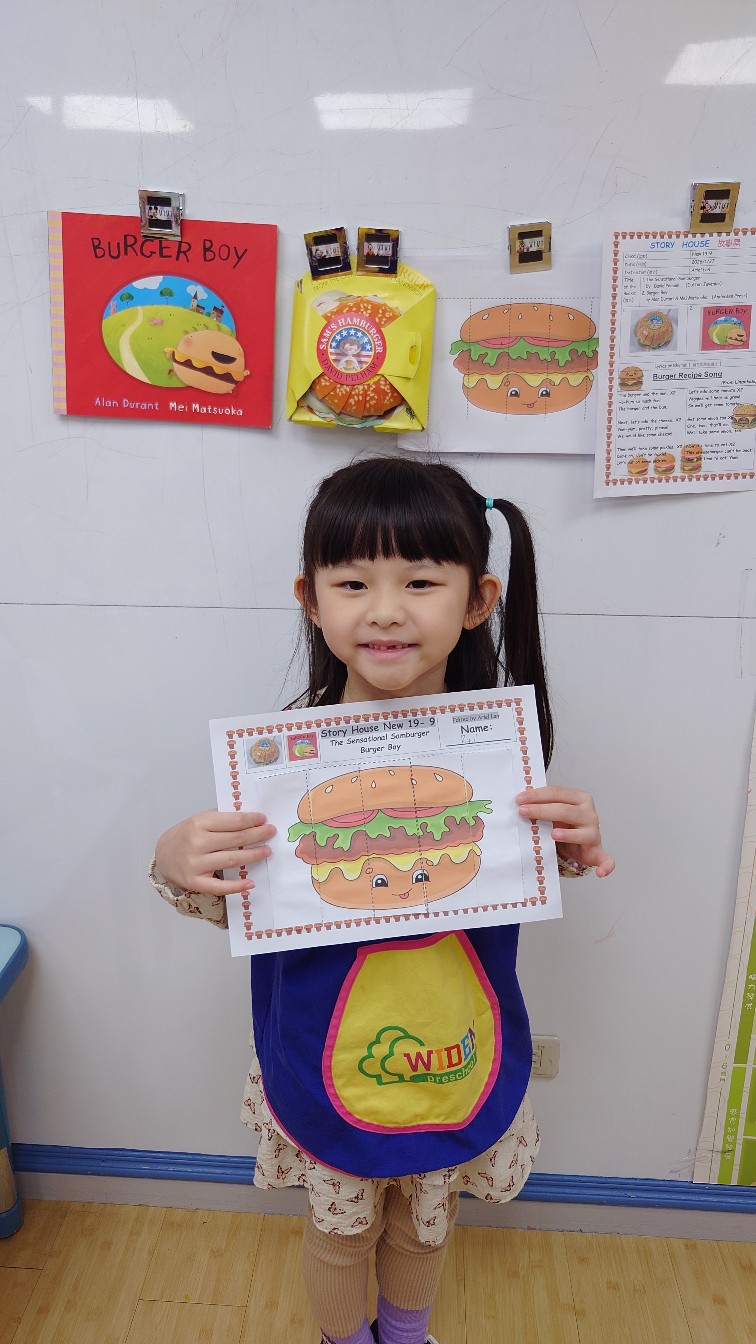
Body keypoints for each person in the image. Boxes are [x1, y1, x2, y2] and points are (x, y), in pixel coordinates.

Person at [151, 455, 614, 1344]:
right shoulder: (277, 769)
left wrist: (571, 845)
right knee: (340, 1230)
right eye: (354, 581)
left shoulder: (500, 761)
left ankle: (404, 1335)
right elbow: (236, 899)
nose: (387, 609)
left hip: (455, 1039)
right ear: (311, 599)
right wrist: (177, 860)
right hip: (323, 1046)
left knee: (425, 1224)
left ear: (477, 601)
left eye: (421, 581)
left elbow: (524, 874)